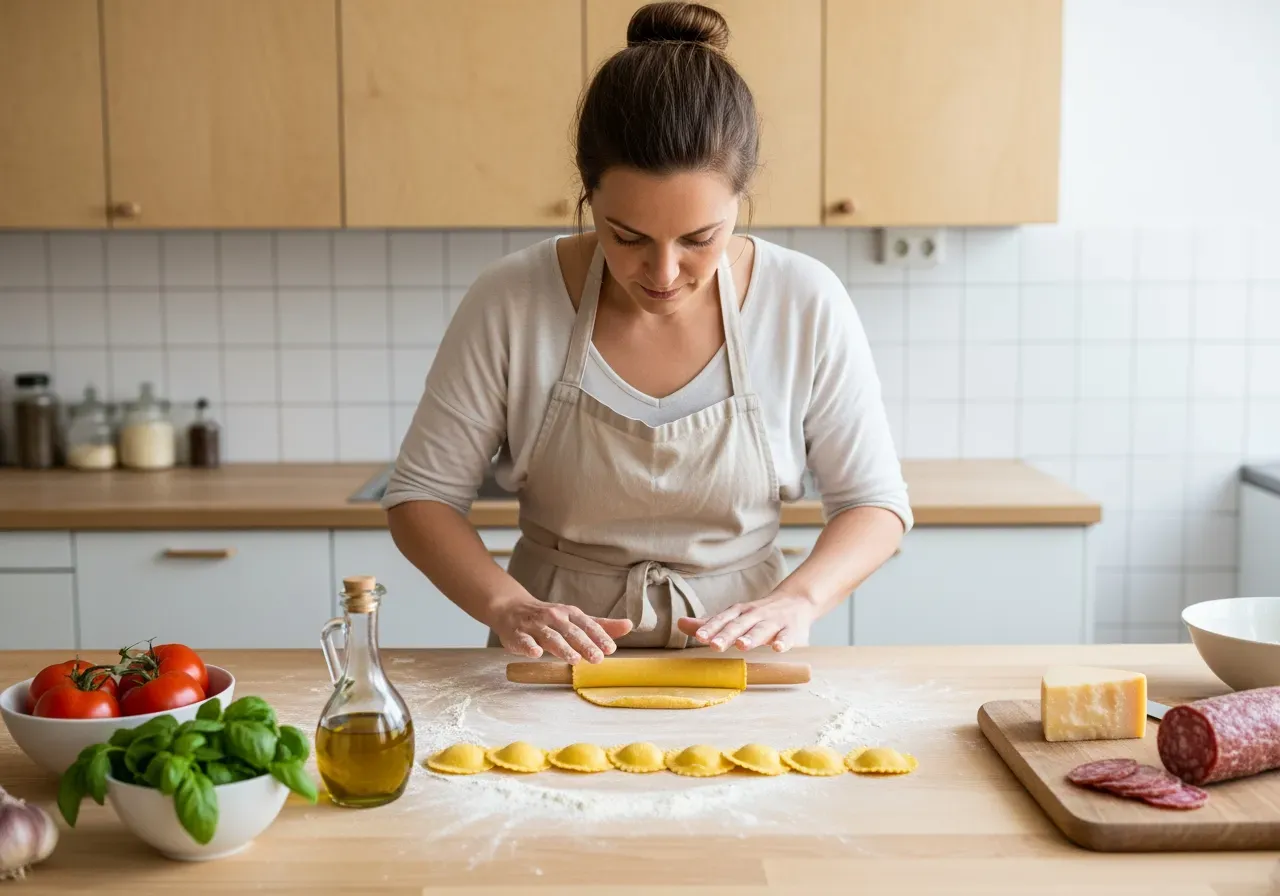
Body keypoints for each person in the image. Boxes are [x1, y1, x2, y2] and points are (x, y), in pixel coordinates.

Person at [383, 1, 911, 665]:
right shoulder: (511, 300)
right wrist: (506, 604)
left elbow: (873, 504)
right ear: (587, 195)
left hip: (742, 661)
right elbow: (421, 498)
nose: (663, 273)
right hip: (552, 665)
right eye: (626, 236)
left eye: (699, 238)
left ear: (740, 199)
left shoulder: (804, 301)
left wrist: (800, 600)